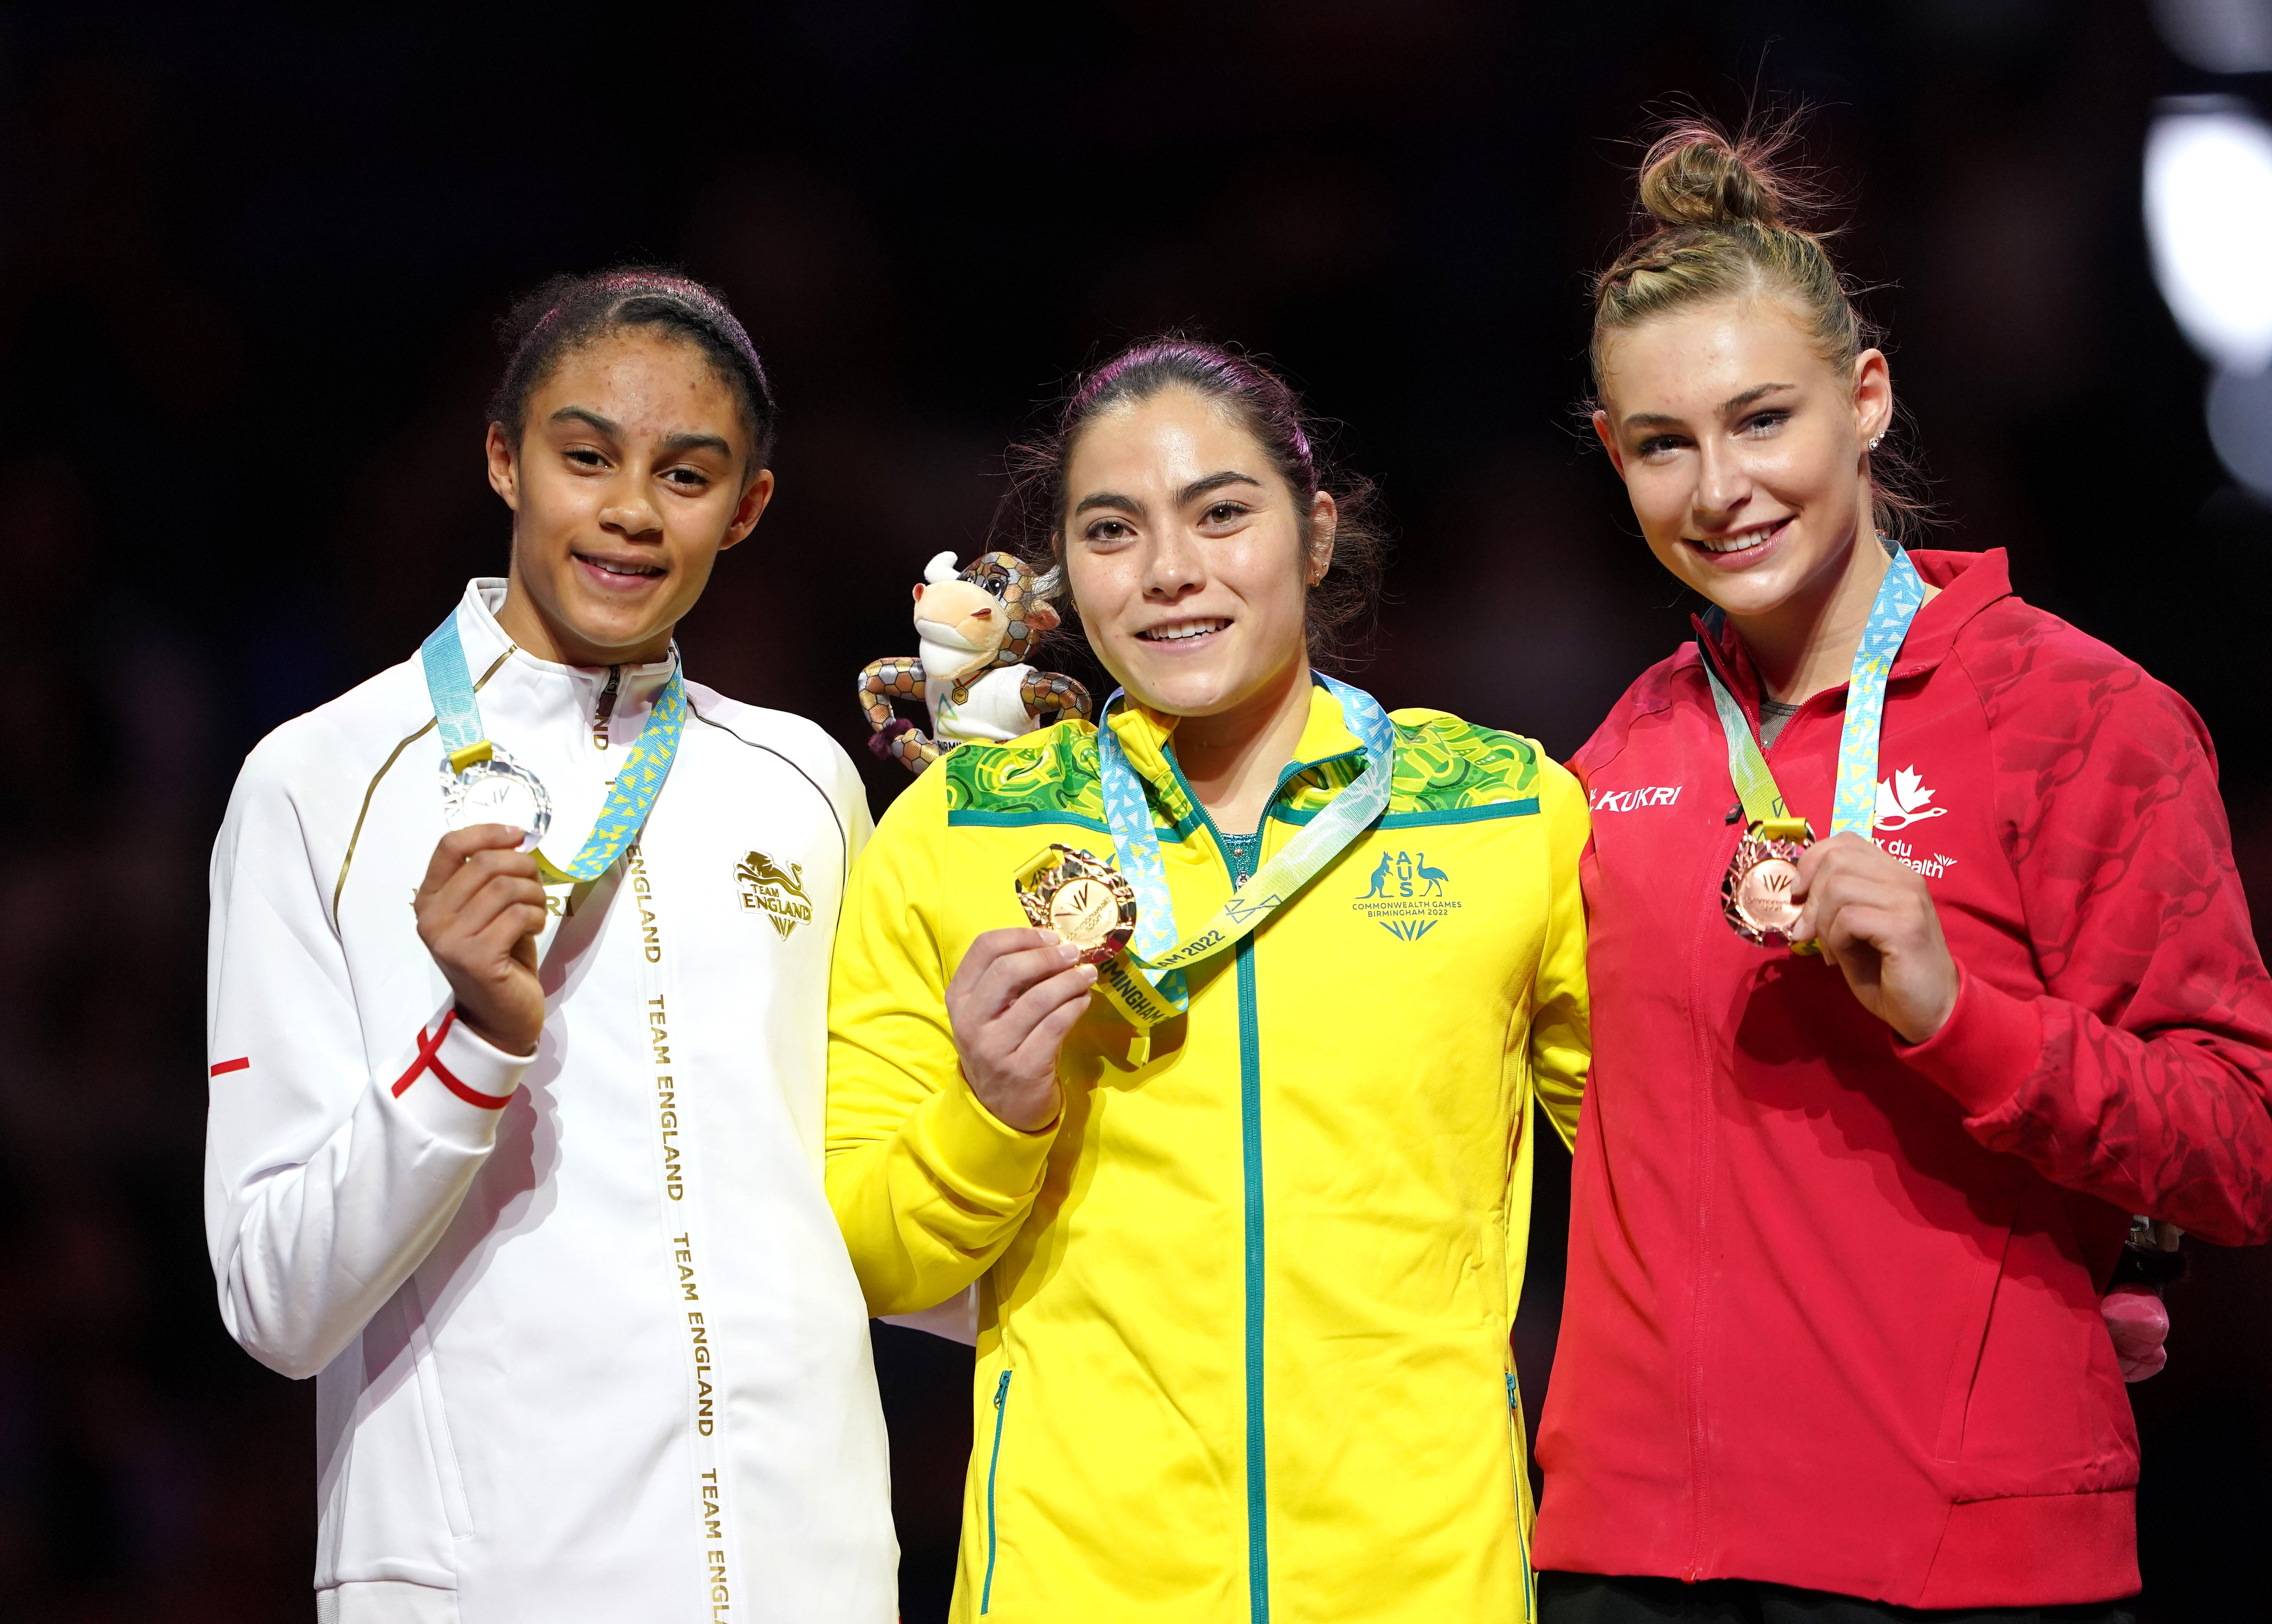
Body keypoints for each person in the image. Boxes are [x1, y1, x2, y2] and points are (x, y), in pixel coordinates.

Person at [1532, 124, 2272, 1621]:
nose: (1720, 491)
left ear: (1868, 398)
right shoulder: (1612, 757)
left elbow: (2252, 1148)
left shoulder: (2081, 720)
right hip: (1629, 1560)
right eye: (1663, 444)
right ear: (1612, 453)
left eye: (1763, 421)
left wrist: (1969, 1016)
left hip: (1951, 1561)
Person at [823, 338, 1590, 1621]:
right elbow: (868, 1253)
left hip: (1426, 1584)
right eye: (1114, 532)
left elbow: (1667, 1170)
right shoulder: (960, 830)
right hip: (1074, 1585)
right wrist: (992, 1113)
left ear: (1317, 533)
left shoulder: (1504, 814)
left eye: (1223, 514)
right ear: (1068, 575)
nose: (1172, 572)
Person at [204, 269, 897, 1623]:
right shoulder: (318, 781)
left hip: (808, 1573)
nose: (632, 511)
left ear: (748, 508)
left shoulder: (804, 783)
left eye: (687, 476)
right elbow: (274, 1299)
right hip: (487, 1582)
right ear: (504, 458)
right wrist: (473, 1049)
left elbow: (865, 1214)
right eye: (588, 458)